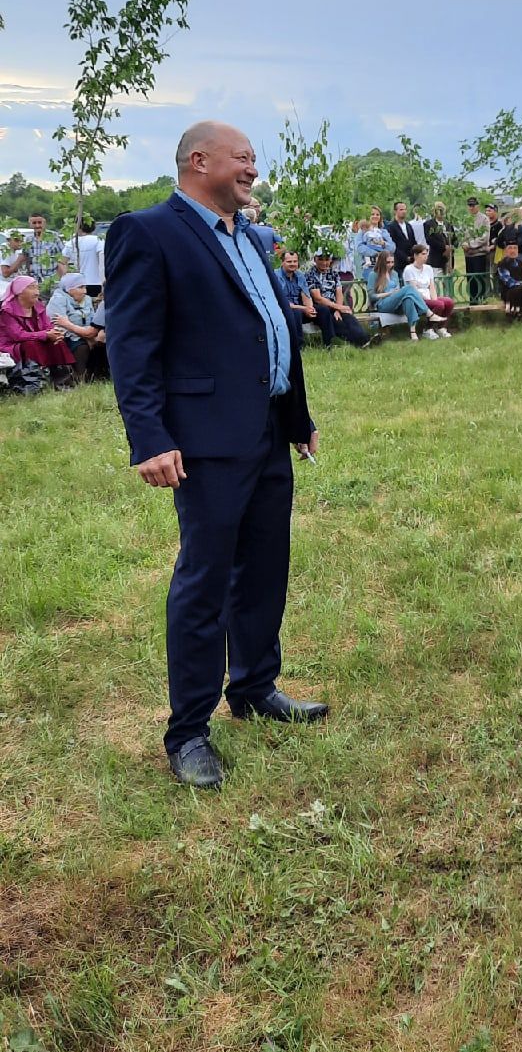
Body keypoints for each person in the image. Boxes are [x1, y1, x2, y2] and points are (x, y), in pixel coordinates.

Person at [103, 121, 326, 790]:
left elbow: (272, 330)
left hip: (264, 432)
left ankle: (256, 688)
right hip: (203, 441)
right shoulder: (148, 233)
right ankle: (189, 731)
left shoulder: (251, 237)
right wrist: (150, 438)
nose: (253, 170)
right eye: (244, 159)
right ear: (200, 161)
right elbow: (131, 345)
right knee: (205, 582)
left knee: (264, 569)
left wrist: (298, 417)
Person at [0, 274, 76, 383]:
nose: (37, 292)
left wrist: (55, 333)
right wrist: (45, 335)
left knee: (57, 342)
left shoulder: (38, 306)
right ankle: (37, 379)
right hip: (12, 345)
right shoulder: (7, 311)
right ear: (19, 291)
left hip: (37, 340)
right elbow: (18, 335)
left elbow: (47, 326)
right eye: (31, 287)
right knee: (31, 344)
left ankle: (62, 380)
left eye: (37, 287)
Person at [46, 271, 107, 378]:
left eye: (85, 287)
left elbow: (92, 321)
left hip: (84, 334)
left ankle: (94, 375)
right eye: (80, 287)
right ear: (70, 289)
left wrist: (88, 335)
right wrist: (83, 335)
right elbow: (59, 324)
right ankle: (79, 376)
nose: (85, 291)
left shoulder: (87, 300)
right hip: (66, 336)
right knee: (81, 345)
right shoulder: (58, 300)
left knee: (99, 344)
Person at [369, 251, 442, 341]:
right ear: (381, 262)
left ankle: (413, 332)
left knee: (408, 299)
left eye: (392, 262)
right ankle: (428, 312)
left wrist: (397, 293)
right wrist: (389, 294)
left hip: (396, 302)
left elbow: (400, 292)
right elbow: (371, 296)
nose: (390, 265)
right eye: (388, 262)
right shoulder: (374, 274)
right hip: (383, 303)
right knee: (409, 288)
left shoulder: (394, 274)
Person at [306, 252, 372, 347]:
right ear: (315, 259)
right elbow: (318, 298)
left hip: (334, 306)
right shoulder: (310, 275)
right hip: (320, 309)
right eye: (321, 259)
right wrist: (339, 307)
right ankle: (361, 342)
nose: (324, 263)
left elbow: (339, 293)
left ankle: (366, 339)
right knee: (337, 322)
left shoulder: (333, 274)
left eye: (327, 260)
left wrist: (338, 309)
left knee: (350, 318)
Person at [402, 245, 455, 334]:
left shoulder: (428, 268)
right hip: (418, 299)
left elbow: (432, 286)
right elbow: (414, 289)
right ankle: (427, 329)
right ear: (415, 255)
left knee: (449, 302)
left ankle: (441, 327)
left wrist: (434, 299)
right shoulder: (409, 270)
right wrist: (430, 300)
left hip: (429, 296)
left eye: (426, 254)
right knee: (439, 305)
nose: (425, 256)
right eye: (423, 254)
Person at [462, 197, 491, 302]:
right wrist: (464, 245)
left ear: (477, 206)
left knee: (480, 279)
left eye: (473, 205)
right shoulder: (465, 219)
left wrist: (471, 245)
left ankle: (482, 301)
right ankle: (472, 301)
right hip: (468, 255)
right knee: (470, 280)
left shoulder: (484, 219)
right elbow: (462, 235)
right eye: (469, 205)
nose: (471, 208)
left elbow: (485, 236)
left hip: (479, 254)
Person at [278, 252, 317, 323]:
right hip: (283, 309)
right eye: (289, 261)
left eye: (295, 261)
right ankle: (297, 334)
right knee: (296, 313)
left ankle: (332, 334)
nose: (292, 264)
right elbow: (282, 302)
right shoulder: (276, 276)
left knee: (323, 310)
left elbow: (306, 295)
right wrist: (304, 308)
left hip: (299, 307)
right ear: (282, 262)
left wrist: (310, 308)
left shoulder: (300, 275)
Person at [354, 207, 394, 278]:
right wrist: (376, 253)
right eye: (372, 214)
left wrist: (384, 243)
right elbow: (360, 247)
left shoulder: (383, 232)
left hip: (385, 266)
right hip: (370, 267)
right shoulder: (362, 232)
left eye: (377, 214)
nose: (375, 216)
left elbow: (392, 247)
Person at [26, 213, 64, 287]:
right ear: (30, 224)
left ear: (44, 223)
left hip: (52, 281)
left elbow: (63, 258)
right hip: (35, 282)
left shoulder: (54, 237)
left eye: (39, 222)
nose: (37, 225)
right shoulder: (28, 240)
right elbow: (27, 260)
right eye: (34, 223)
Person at [496, 240, 522, 315]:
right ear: (505, 251)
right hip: (508, 291)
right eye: (510, 248)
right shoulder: (502, 264)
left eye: (515, 248)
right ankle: (514, 314)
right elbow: (509, 282)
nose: (513, 251)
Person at [73, 217, 104, 296]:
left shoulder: (72, 242)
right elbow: (102, 261)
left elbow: (62, 263)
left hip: (77, 284)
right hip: (96, 282)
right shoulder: (99, 240)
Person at [422, 201, 455, 274]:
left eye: (442, 209)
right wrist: (444, 247)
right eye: (438, 209)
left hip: (449, 259)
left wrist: (451, 247)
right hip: (436, 259)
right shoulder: (429, 224)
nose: (440, 212)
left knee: (449, 282)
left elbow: (454, 238)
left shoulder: (448, 224)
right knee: (436, 281)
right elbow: (429, 240)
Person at [387, 202, 419, 270]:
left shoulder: (409, 226)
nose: (404, 211)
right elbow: (392, 246)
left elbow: (413, 242)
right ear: (395, 211)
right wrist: (405, 258)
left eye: (405, 209)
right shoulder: (391, 227)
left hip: (411, 263)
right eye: (401, 210)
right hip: (398, 264)